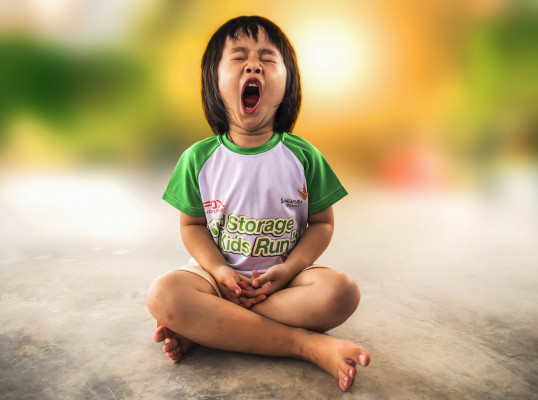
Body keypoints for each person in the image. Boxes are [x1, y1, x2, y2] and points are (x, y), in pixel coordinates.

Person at [146, 15, 370, 392]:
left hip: (285, 284)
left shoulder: (304, 156)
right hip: (217, 283)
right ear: (214, 82)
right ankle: (307, 346)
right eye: (238, 58)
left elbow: (322, 224)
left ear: (287, 83)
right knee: (163, 295)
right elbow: (192, 226)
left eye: (268, 59)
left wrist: (289, 269)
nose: (254, 65)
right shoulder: (198, 158)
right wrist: (218, 271)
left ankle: (211, 329)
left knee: (342, 291)